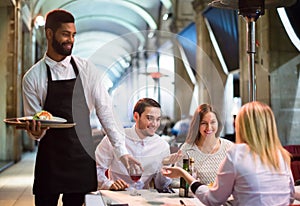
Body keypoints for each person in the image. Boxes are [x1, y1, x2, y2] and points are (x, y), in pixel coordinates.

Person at [22, 9, 140, 206]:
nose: (71, 40)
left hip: (81, 157)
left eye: (73, 35)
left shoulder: (87, 70)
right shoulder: (33, 77)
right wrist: (35, 132)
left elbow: (106, 113)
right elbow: (35, 124)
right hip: (50, 160)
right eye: (65, 34)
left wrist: (122, 152)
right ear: (49, 34)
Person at [162, 101, 294, 205]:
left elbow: (213, 199)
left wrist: (185, 175)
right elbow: (290, 196)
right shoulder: (281, 155)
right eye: (204, 123)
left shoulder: (236, 153)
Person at [95, 98, 172, 191]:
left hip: (144, 199)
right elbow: (96, 169)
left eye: (158, 119)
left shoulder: (162, 146)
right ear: (136, 116)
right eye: (149, 118)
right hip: (117, 196)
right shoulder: (115, 139)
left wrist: (166, 167)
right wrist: (109, 184)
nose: (155, 124)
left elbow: (161, 185)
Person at [163, 103, 233, 185]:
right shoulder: (187, 149)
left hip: (226, 197)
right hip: (197, 197)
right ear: (197, 125)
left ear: (218, 123)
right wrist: (192, 183)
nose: (209, 127)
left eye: (213, 122)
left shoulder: (229, 147)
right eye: (204, 123)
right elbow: (175, 181)